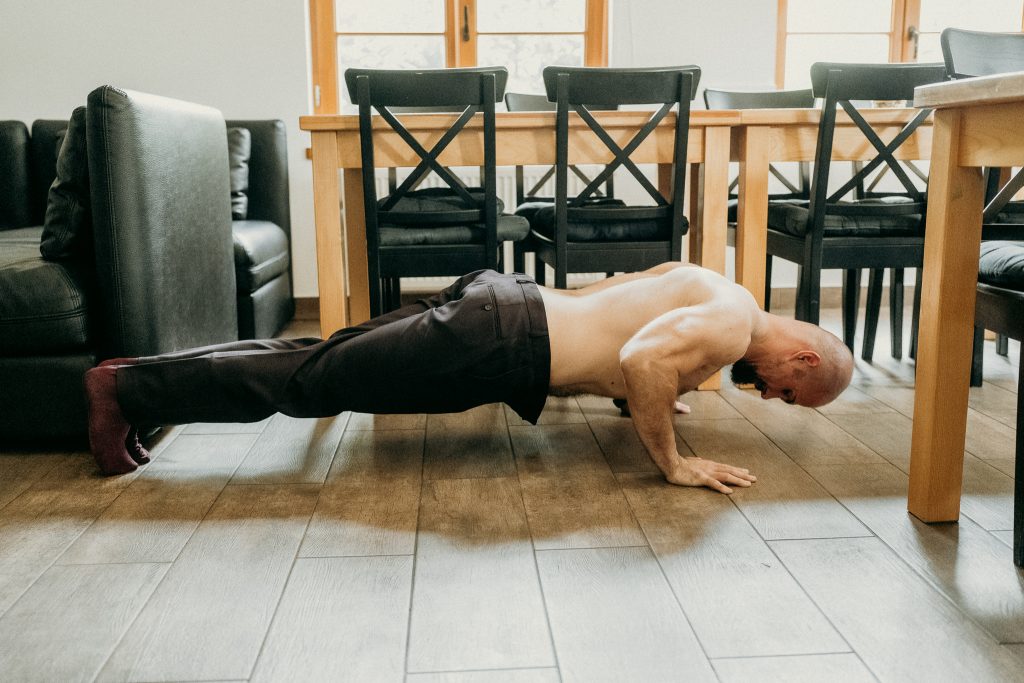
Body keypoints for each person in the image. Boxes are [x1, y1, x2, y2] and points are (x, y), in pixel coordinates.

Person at [85, 262, 854, 492]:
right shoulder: (730, 328)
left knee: (319, 359)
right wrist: (673, 461)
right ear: (804, 358)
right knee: (313, 380)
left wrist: (644, 398)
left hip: (505, 299)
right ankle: (124, 391)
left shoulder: (721, 288)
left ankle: (134, 384)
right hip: (498, 343)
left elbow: (618, 302)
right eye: (787, 389)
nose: (771, 393)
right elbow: (642, 360)